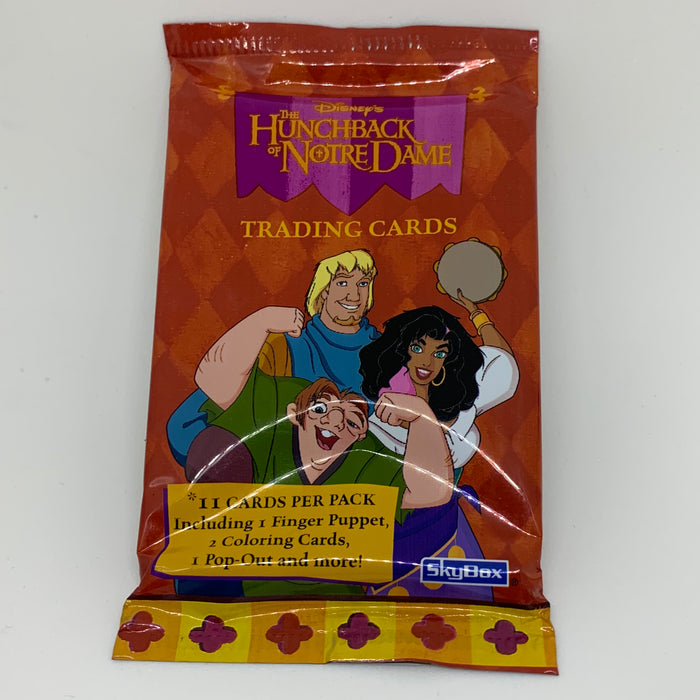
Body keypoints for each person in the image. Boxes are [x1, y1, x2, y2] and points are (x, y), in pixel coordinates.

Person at [180, 305, 455, 598]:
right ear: (295, 413)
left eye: (352, 422)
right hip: (240, 590)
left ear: (360, 435)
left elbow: (433, 491)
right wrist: (261, 320)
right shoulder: (278, 411)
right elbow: (213, 378)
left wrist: (421, 416)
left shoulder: (364, 457)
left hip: (340, 603)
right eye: (321, 408)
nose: (335, 422)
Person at [358, 299, 519, 600]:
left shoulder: (460, 406)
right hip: (397, 540)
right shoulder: (377, 422)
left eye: (439, 353)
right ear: (401, 349)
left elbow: (504, 365)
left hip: (452, 536)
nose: (427, 362)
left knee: (472, 604)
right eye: (417, 348)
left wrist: (478, 315)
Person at [167, 249, 380, 466]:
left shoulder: (387, 351)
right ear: (324, 290)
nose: (354, 296)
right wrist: (263, 320)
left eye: (363, 284)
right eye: (342, 283)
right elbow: (188, 422)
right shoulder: (285, 345)